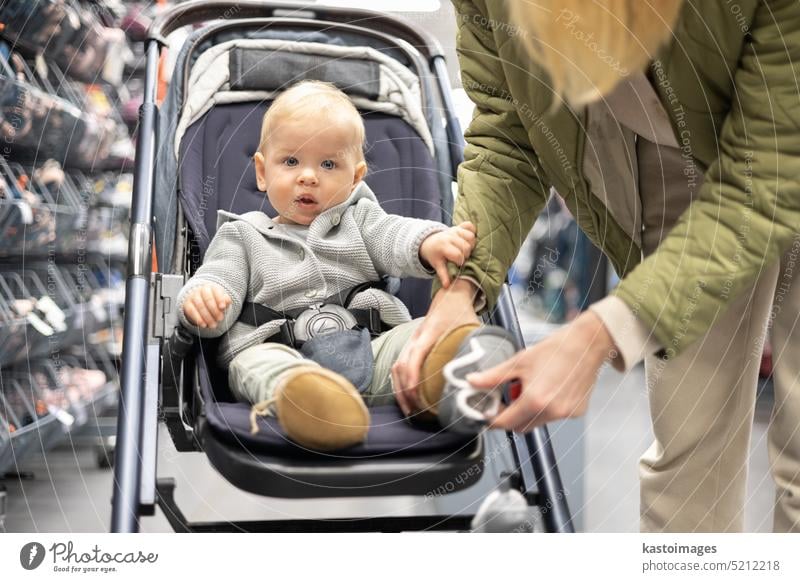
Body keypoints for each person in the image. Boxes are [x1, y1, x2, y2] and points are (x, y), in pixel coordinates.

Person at [391, 0, 800, 532]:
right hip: (671, 169)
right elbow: (509, 132)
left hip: (781, 143)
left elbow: (765, 176)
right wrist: (458, 290)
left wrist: (599, 333)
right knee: (687, 467)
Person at [175, 80, 477, 452]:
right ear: (262, 172)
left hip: (373, 349)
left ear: (355, 178)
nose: (308, 176)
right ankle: (311, 404)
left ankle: (433, 381)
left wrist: (427, 242)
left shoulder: (361, 220)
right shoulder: (241, 236)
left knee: (421, 334)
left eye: (329, 164)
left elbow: (395, 235)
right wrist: (203, 302)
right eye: (290, 161)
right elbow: (218, 280)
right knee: (252, 364)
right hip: (282, 352)